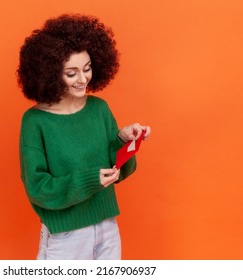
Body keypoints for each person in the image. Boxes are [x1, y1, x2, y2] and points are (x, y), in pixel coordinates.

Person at [17, 14, 151, 260]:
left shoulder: (99, 108)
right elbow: (38, 188)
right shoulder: (35, 121)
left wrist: (124, 140)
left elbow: (120, 170)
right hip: (65, 236)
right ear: (51, 73)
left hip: (107, 228)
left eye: (87, 69)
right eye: (71, 73)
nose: (83, 79)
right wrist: (89, 180)